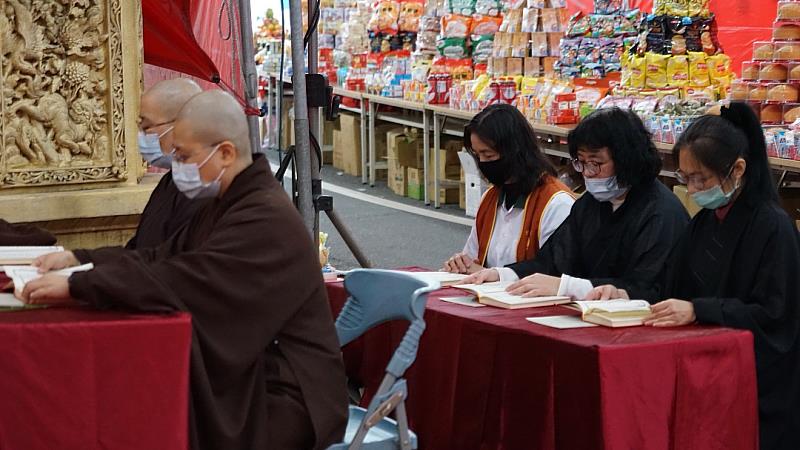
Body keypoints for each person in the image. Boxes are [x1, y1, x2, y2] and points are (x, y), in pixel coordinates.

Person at [20, 91, 349, 450]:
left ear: (225, 152)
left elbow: (187, 279)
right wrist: (81, 261)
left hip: (288, 394)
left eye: (184, 156)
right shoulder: (225, 201)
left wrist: (82, 285)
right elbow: (160, 257)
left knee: (150, 410)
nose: (178, 167)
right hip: (252, 372)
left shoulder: (265, 217)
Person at [590, 103, 800, 450]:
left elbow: (775, 317)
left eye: (701, 177)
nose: (693, 187)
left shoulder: (772, 227)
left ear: (738, 169)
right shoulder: (703, 222)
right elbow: (669, 287)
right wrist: (623, 294)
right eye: (685, 178)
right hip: (704, 373)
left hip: (758, 388)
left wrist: (699, 310)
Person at [464, 107, 689, 301]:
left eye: (596, 163)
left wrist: (568, 287)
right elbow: (552, 261)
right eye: (581, 163)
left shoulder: (659, 213)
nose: (588, 173)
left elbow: (646, 287)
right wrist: (502, 275)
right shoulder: (591, 204)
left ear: (626, 160)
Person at [442, 104, 574, 274]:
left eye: (488, 155)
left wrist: (494, 276)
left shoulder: (556, 204)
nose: (482, 163)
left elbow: (554, 271)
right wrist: (462, 264)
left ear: (514, 150)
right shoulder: (490, 198)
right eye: (477, 155)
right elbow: (473, 257)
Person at [128, 78, 207, 249]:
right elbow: (141, 248)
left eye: (147, 127)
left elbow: (173, 265)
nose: (142, 136)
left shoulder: (205, 192)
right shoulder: (171, 180)